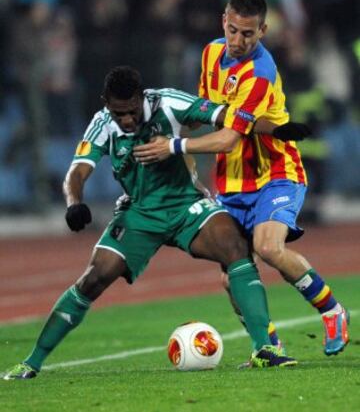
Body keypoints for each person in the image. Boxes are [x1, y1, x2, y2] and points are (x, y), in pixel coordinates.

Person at [4, 66, 299, 381]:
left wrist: (274, 129)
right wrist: (74, 203)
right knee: (94, 277)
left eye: (132, 111)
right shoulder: (102, 124)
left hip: (186, 205)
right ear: (106, 103)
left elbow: (228, 115)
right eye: (119, 114)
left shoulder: (169, 103)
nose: (127, 120)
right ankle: (31, 362)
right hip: (140, 213)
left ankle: (264, 349)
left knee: (235, 246)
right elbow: (76, 172)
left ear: (141, 98)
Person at [133, 0, 350, 357]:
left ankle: (332, 311)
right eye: (233, 30)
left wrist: (173, 147)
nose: (238, 40)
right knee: (233, 274)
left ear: (263, 30)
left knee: (268, 247)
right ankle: (269, 348)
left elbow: (229, 139)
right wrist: (176, 143)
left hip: (275, 172)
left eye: (248, 33)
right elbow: (202, 113)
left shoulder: (260, 72)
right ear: (224, 21)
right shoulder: (211, 53)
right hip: (232, 182)